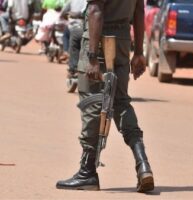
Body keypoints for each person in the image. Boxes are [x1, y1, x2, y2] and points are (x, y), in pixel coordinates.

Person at [56, 0, 154, 193]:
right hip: (123, 42)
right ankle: (143, 164)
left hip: (98, 38)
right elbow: (139, 10)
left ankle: (87, 172)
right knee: (121, 102)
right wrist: (139, 53)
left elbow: (95, 10)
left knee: (91, 102)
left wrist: (92, 57)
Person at [60, 0, 87, 71]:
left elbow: (63, 12)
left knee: (69, 36)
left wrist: (74, 14)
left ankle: (73, 68)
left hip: (80, 28)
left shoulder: (71, 1)